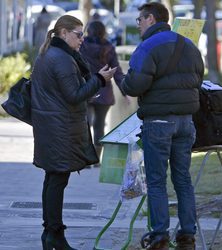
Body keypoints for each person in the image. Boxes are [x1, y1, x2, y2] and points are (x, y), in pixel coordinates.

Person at [121, 2, 204, 250]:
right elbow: (198, 78)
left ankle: (159, 236)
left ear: (151, 19)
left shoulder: (148, 46)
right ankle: (187, 235)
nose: (138, 24)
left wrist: (122, 82)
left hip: (158, 121)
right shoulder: (188, 45)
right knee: (183, 179)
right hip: (186, 121)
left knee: (157, 181)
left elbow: (135, 85)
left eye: (139, 20)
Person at [31, 15, 116, 250]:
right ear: (63, 33)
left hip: (53, 127)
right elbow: (74, 95)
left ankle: (52, 234)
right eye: (78, 34)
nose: (82, 40)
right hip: (59, 128)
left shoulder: (52, 54)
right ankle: (54, 235)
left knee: (53, 180)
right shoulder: (61, 59)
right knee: (57, 180)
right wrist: (100, 79)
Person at [80, 20, 129, 167]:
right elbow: (117, 71)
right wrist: (125, 91)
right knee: (99, 125)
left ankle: (86, 160)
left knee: (85, 124)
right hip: (104, 92)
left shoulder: (82, 46)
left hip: (86, 90)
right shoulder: (109, 47)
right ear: (103, 32)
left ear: (88, 31)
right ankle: (96, 159)